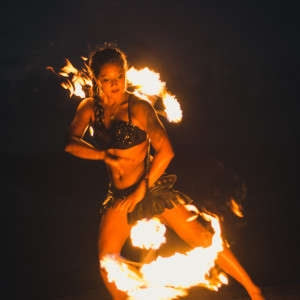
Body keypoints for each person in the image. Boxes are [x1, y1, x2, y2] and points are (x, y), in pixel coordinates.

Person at [65, 45, 265, 300]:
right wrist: (102, 154)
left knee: (203, 237)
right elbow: (70, 143)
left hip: (151, 189)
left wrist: (141, 191)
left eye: (119, 77)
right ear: (96, 79)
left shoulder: (138, 107)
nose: (115, 84)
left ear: (126, 75)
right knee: (107, 259)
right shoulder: (89, 108)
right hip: (118, 195)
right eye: (107, 79)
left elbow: (166, 151)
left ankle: (254, 290)